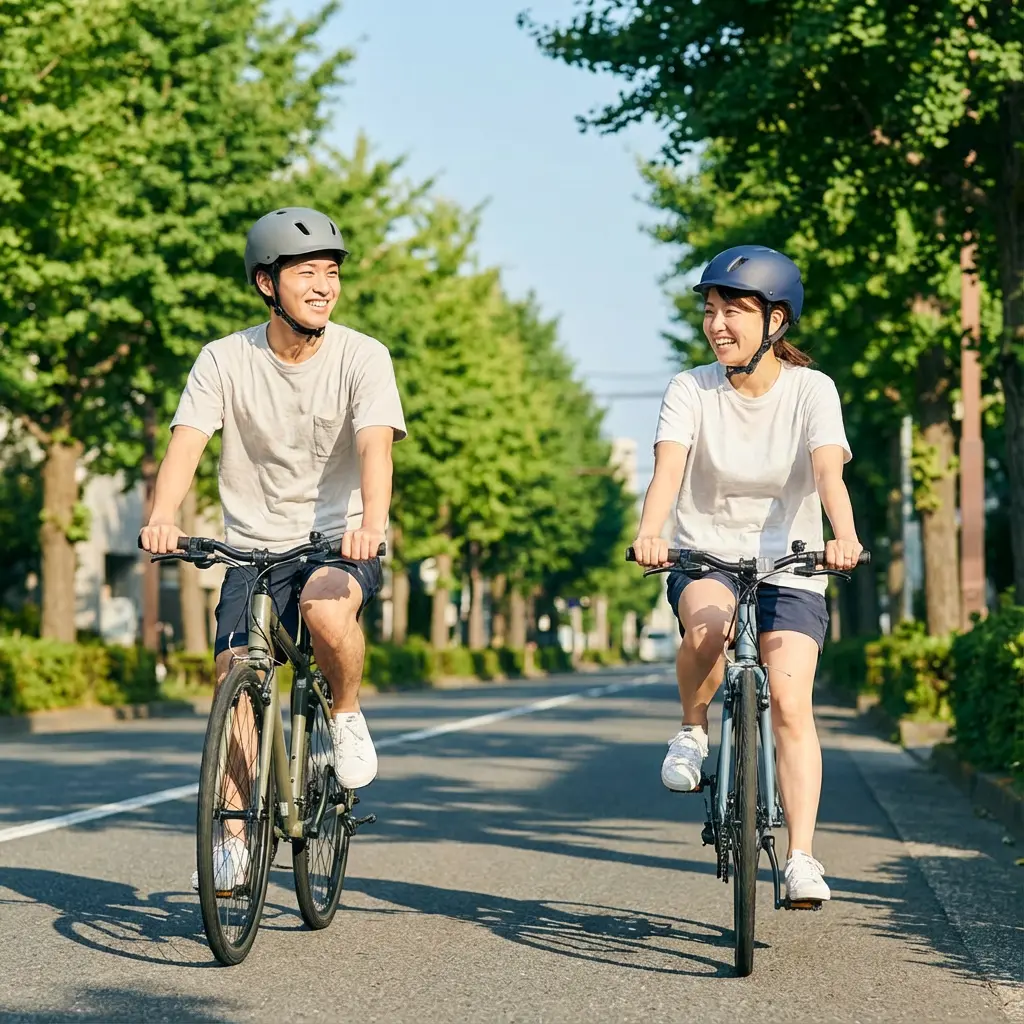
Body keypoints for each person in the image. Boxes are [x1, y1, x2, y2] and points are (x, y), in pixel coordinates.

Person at [139, 207, 406, 888]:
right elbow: (187, 443)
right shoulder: (224, 360)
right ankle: (233, 824)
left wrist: (372, 521)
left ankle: (344, 716)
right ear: (266, 282)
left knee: (323, 611)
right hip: (254, 546)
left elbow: (376, 444)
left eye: (333, 272)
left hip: (338, 539)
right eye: (308, 272)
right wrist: (163, 516)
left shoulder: (363, 356)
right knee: (236, 667)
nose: (325, 286)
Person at [630, 245, 861, 904]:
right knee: (708, 628)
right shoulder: (690, 389)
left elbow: (826, 473)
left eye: (734, 309)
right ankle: (692, 729)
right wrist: (652, 533)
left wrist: (843, 538)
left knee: (790, 701)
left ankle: (803, 859)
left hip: (792, 561)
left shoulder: (811, 391)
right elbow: (668, 472)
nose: (718, 323)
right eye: (710, 310)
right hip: (707, 553)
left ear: (776, 322)